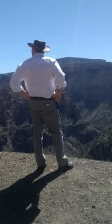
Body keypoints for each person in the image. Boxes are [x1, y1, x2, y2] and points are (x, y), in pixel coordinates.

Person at [10, 40, 73, 171]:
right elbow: (61, 77)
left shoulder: (24, 64)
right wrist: (59, 91)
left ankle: (40, 162)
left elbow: (13, 82)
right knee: (56, 132)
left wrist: (23, 92)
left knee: (37, 133)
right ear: (43, 50)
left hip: (33, 102)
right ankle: (62, 162)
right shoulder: (50, 61)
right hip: (48, 102)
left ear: (33, 49)